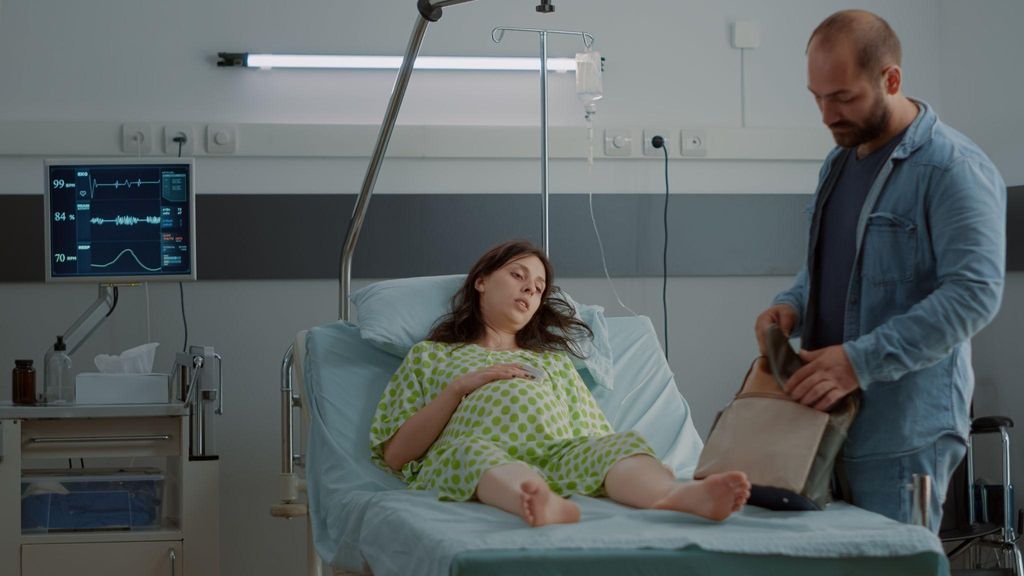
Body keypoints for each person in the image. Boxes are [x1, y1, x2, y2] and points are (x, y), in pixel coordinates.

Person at [754, 10, 1005, 531]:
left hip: (903, 433)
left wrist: (858, 361)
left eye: (843, 97)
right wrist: (791, 305)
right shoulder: (839, 163)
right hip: (824, 421)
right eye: (817, 97)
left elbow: (974, 294)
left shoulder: (952, 167)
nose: (827, 114)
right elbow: (827, 267)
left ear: (890, 79)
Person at [371, 240, 750, 526]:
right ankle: (536, 501)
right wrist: (460, 388)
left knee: (613, 446)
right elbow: (396, 455)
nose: (529, 289)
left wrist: (598, 458)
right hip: (471, 451)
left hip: (553, 454)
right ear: (481, 282)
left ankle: (676, 496)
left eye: (538, 288)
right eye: (518, 275)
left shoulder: (554, 363)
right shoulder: (431, 356)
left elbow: (589, 434)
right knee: (473, 454)